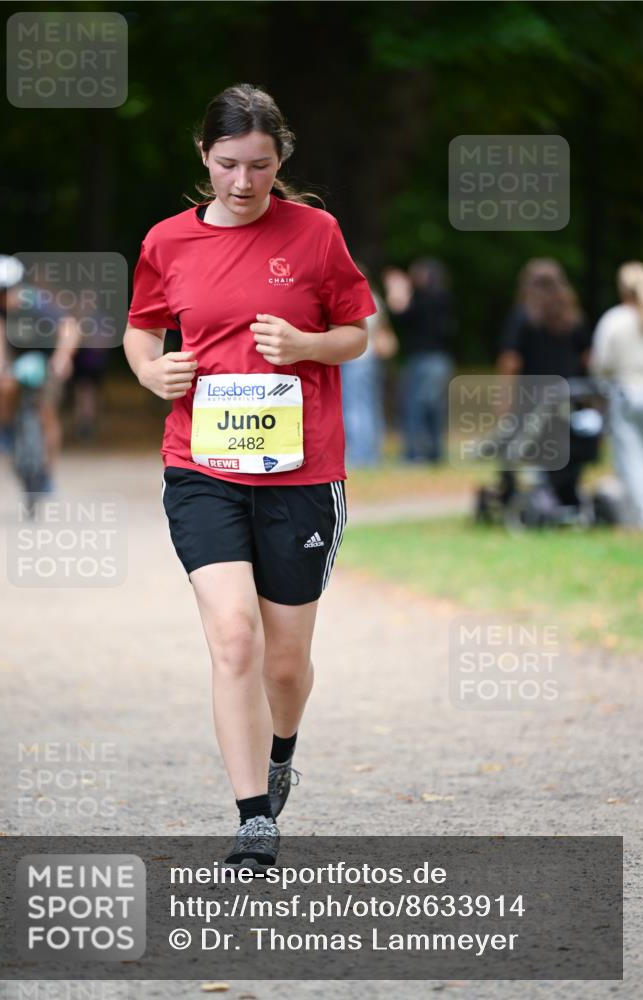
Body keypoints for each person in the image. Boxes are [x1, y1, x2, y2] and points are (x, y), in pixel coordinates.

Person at [123, 84, 375, 869]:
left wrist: (305, 345)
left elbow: (354, 336)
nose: (243, 182)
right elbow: (140, 330)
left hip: (301, 472)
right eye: (228, 164)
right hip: (200, 464)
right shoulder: (167, 241)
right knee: (233, 635)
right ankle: (252, 819)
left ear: (281, 159)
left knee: (284, 663)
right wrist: (151, 371)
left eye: (260, 166)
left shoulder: (315, 232)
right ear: (204, 156)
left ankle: (281, 751)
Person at [496, 258, 592, 507]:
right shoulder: (573, 319)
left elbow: (510, 360)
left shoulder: (522, 317)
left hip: (532, 399)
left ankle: (516, 493)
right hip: (568, 399)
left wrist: (504, 398)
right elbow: (588, 357)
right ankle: (562, 493)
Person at [0, 254, 79, 489]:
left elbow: (69, 327)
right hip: (18, 357)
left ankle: (47, 475)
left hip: (48, 358)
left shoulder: (38, 302)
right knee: (4, 384)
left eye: (2, 291)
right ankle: (4, 429)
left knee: (47, 413)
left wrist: (63, 357)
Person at [383, 257, 456, 463]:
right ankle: (435, 452)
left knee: (415, 407)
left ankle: (415, 454)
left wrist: (396, 290)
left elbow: (400, 312)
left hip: (423, 360)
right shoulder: (444, 297)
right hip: (440, 360)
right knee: (434, 408)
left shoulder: (424, 298)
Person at [589, 261, 643, 528]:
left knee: (630, 459)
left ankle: (638, 518)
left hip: (627, 395)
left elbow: (601, 364)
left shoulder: (615, 319)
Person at [340, 263, 398, 467]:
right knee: (370, 405)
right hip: (371, 359)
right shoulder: (374, 297)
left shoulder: (355, 296)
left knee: (355, 407)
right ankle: (372, 452)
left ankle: (360, 455)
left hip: (356, 360)